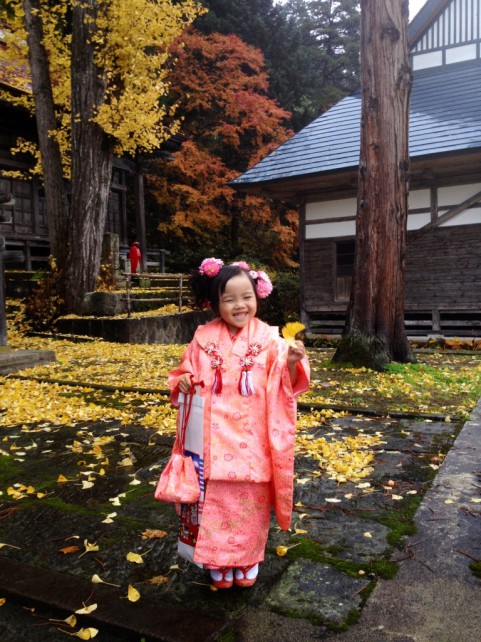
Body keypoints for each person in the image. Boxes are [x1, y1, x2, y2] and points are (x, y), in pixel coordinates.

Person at [168, 258, 310, 589]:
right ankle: (218, 562)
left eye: (246, 296)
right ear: (216, 302)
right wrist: (184, 381)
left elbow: (286, 387)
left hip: (253, 439)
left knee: (250, 505)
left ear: (257, 296)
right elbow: (183, 372)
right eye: (229, 299)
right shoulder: (202, 337)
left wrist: (291, 362)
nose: (239, 305)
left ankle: (248, 560)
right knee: (214, 504)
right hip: (212, 440)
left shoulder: (272, 339)